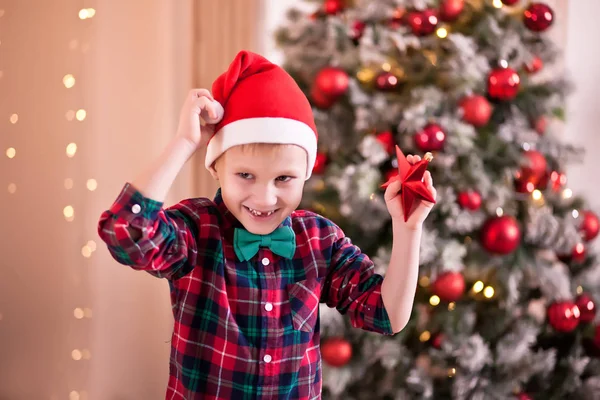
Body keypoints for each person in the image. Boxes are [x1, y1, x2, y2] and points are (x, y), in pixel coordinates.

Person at [97, 50, 436, 400]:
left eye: (284, 178)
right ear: (215, 169)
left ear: (305, 174)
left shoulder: (321, 240)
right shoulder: (196, 230)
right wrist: (186, 144)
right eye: (245, 175)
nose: (264, 198)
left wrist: (408, 228)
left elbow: (386, 314)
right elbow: (125, 231)